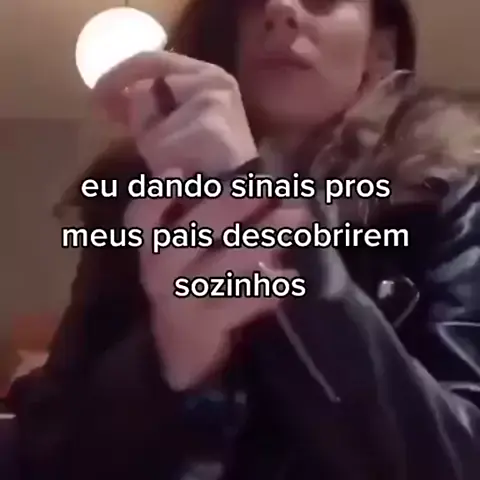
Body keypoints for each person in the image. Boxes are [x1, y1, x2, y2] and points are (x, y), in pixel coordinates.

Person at [7, 0, 480, 478]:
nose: (280, 7)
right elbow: (46, 453)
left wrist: (279, 237)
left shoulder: (446, 192)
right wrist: (166, 360)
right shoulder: (132, 200)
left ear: (380, 50)